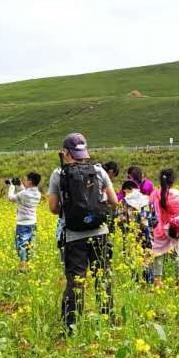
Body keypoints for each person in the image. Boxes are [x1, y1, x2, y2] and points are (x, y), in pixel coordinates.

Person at [47, 133, 118, 333]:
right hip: (100, 232)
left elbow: (53, 208)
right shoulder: (99, 171)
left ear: (65, 152)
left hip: (74, 235)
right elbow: (114, 201)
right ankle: (108, 320)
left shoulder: (58, 173)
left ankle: (72, 325)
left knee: (76, 279)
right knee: (102, 275)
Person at [150, 169, 179, 287]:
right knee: (177, 254)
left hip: (159, 229)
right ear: (173, 180)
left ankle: (157, 281)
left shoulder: (154, 194)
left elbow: (152, 211)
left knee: (158, 254)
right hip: (173, 229)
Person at [120, 180, 156, 283]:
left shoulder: (124, 201)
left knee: (132, 258)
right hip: (147, 234)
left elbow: (120, 220)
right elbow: (155, 219)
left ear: (126, 190)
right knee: (147, 258)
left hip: (131, 235)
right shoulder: (148, 200)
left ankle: (134, 282)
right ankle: (148, 282)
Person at [7, 172, 42, 270]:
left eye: (26, 179)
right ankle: (29, 264)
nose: (24, 181)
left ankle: (23, 266)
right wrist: (21, 185)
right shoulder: (38, 194)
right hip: (33, 222)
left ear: (30, 182)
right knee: (30, 244)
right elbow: (25, 194)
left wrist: (12, 186)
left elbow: (11, 198)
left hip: (22, 224)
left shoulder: (24, 193)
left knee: (21, 245)